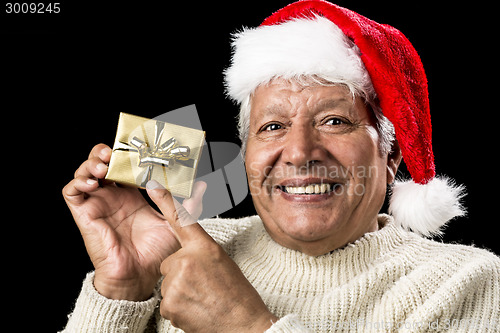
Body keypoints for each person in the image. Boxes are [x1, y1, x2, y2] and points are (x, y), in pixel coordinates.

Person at [61, 1, 500, 332]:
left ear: (390, 156)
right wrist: (123, 289)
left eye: (334, 121)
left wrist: (246, 325)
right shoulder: (181, 247)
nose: (298, 152)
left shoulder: (465, 281)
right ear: (247, 152)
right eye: (272, 126)